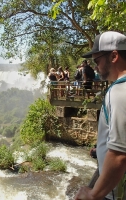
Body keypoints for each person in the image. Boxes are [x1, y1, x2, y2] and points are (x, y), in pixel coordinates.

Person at [74, 31, 126, 200]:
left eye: (97, 61)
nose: (95, 67)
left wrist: (93, 193)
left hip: (114, 191)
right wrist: (100, 148)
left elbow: (119, 155)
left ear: (114, 56)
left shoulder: (118, 92)